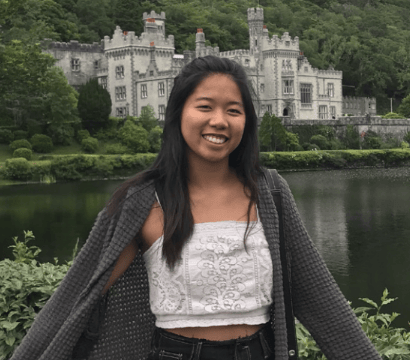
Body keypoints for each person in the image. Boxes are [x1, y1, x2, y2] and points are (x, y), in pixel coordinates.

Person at [10, 56, 382, 360]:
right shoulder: (142, 199)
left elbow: (320, 298)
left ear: (246, 121)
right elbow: (79, 295)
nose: (219, 121)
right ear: (178, 113)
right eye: (205, 107)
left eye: (233, 110)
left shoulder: (269, 192)